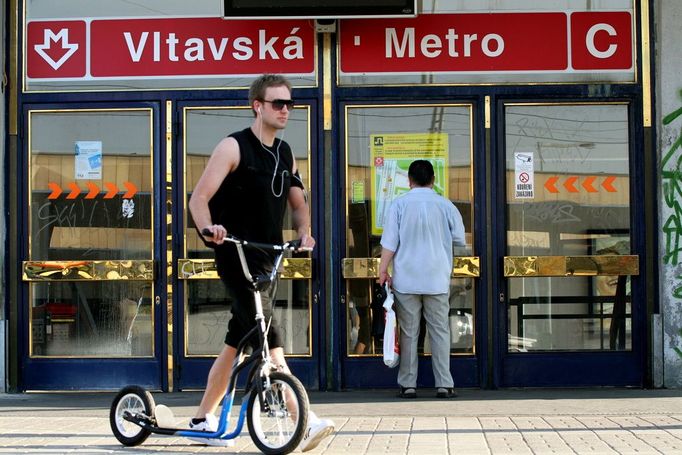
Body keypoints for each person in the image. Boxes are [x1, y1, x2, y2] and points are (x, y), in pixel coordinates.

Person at [188, 74, 334, 451]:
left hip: (270, 258)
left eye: (289, 104)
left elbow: (299, 205)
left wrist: (305, 233)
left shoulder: (285, 153)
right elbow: (198, 200)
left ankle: (203, 419)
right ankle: (303, 418)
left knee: (236, 341)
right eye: (277, 103)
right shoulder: (232, 148)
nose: (285, 110)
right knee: (269, 332)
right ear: (258, 105)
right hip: (235, 254)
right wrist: (209, 229)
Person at [378, 159, 466, 399]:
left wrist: (383, 270)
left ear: (409, 180)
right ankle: (444, 384)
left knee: (409, 332)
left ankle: (408, 385)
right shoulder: (446, 205)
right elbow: (460, 239)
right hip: (437, 278)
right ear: (433, 180)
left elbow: (389, 244)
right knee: (440, 331)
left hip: (407, 278)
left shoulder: (399, 205)